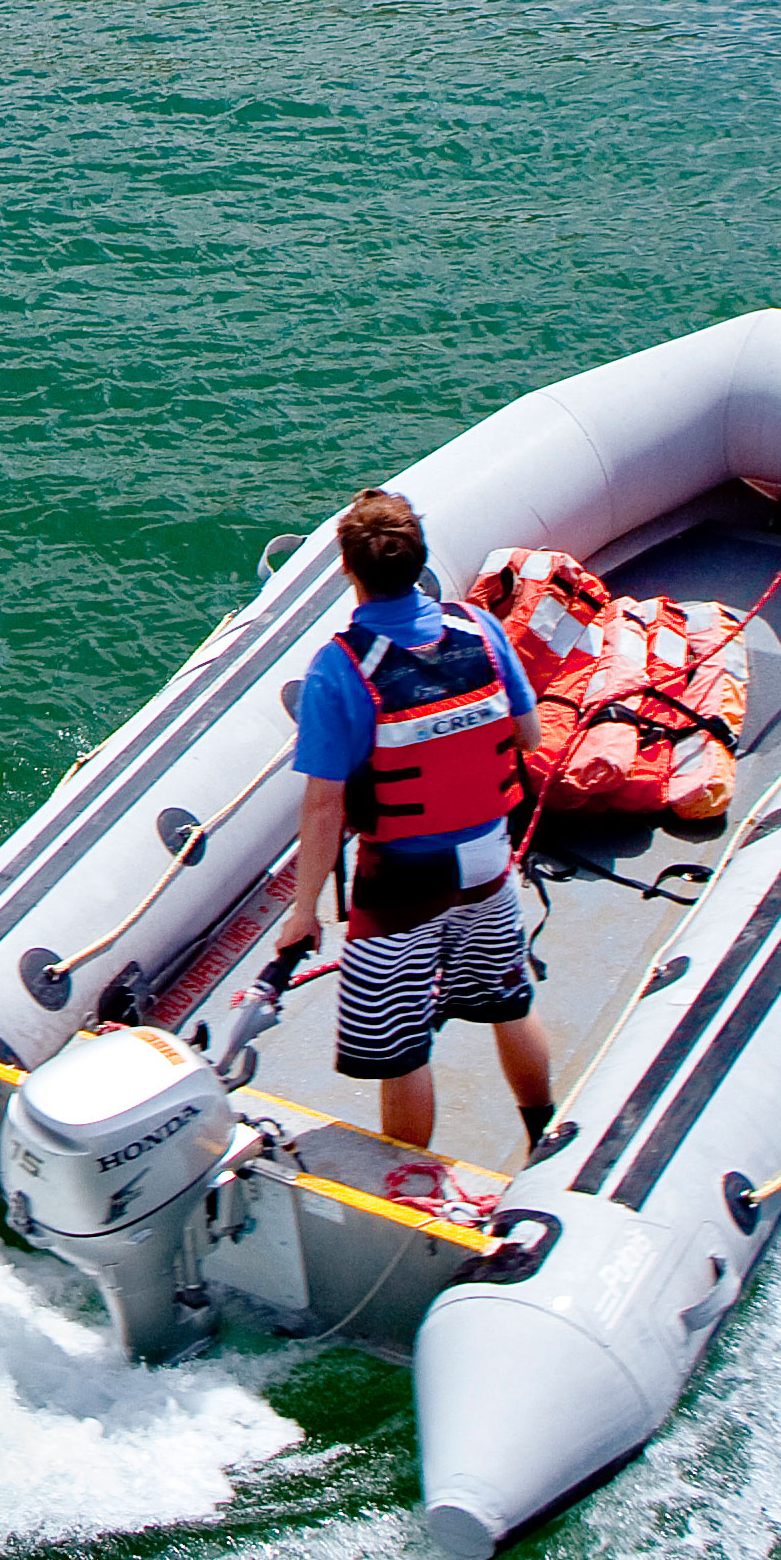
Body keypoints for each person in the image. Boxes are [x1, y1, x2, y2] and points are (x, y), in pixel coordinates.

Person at [287, 486, 555, 1156]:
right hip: (488, 860)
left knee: (402, 1048)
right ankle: (542, 1139)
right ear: (420, 562)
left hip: (402, 880)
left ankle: (407, 1182)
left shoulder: (338, 669)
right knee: (509, 1004)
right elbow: (528, 737)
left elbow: (322, 808)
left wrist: (303, 913)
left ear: (349, 571)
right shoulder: (480, 628)